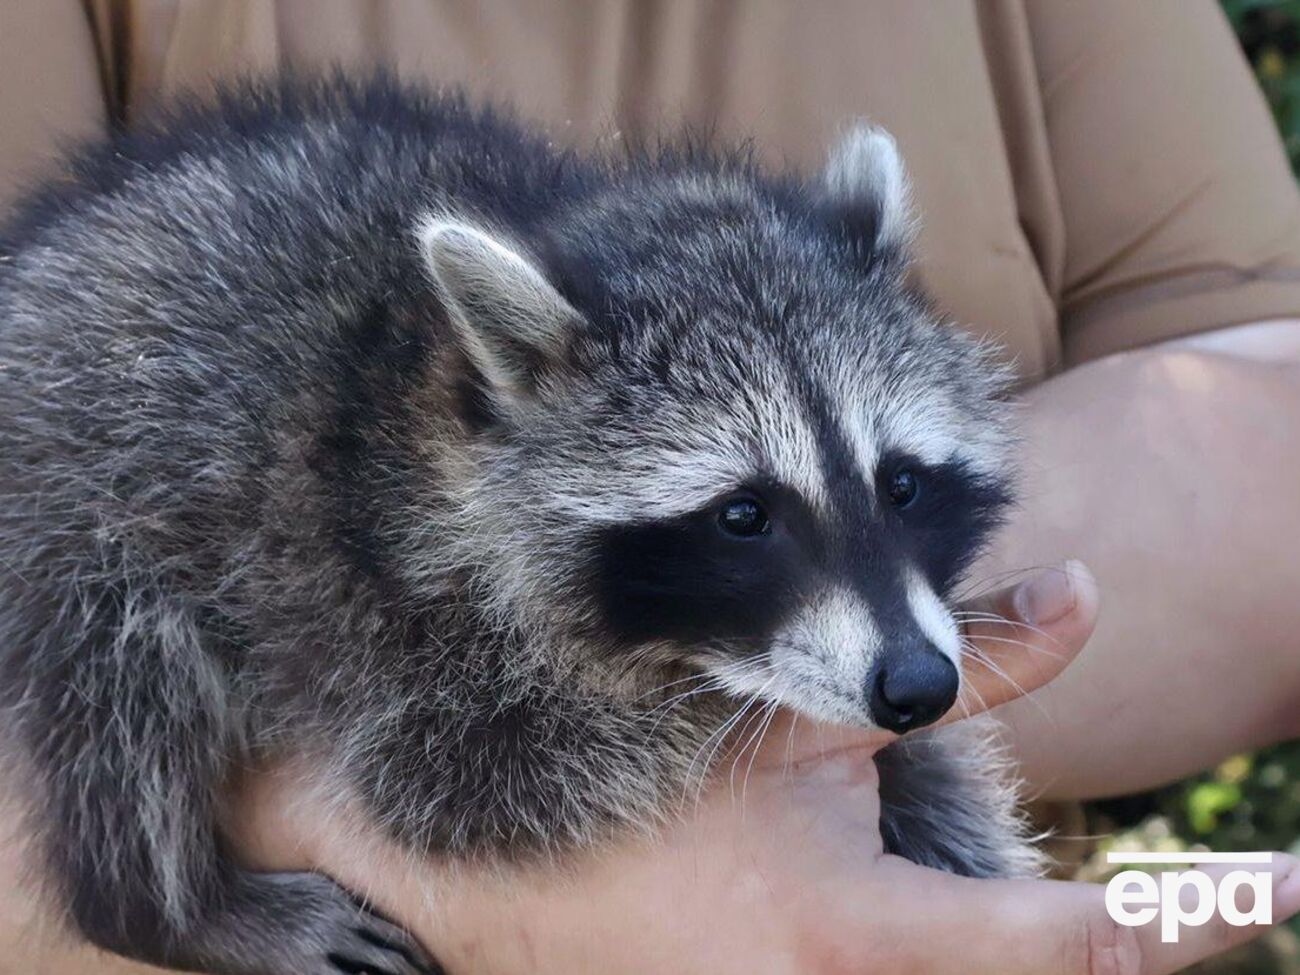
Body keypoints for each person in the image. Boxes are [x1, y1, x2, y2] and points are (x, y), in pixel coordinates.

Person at [1, 1, 1298, 971]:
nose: (915, 642)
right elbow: (456, 791)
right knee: (116, 660)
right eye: (743, 521)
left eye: (903, 494)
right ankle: (185, 905)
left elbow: (1266, 407)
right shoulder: (479, 515)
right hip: (112, 514)